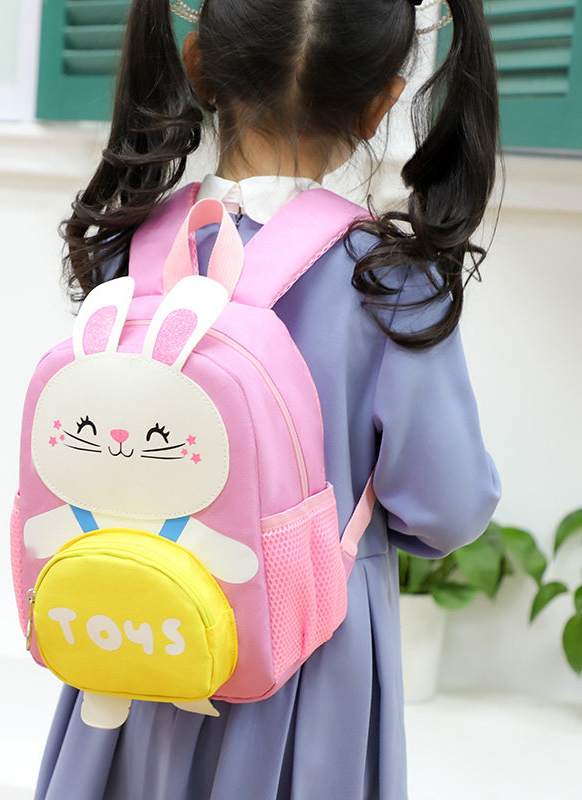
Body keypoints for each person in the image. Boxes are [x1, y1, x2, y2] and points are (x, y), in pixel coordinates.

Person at [32, 0, 501, 797]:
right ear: (384, 101)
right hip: (306, 661)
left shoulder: (130, 244)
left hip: (137, 637)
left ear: (198, 65)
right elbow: (448, 507)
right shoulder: (387, 281)